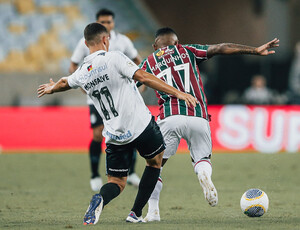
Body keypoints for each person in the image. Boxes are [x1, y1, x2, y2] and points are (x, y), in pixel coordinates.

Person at [37, 23, 198, 224]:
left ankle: (100, 199)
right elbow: (143, 76)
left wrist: (52, 88)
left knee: (116, 182)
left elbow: (64, 82)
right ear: (106, 39)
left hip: (114, 134)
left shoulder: (82, 71)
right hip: (140, 126)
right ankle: (135, 213)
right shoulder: (115, 58)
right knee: (155, 161)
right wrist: (178, 92)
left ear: (86, 43)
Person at [138, 27, 279, 221]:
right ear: (176, 43)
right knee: (202, 160)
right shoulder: (187, 50)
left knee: (156, 167)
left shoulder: (148, 62)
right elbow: (221, 47)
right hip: (198, 115)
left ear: (155, 46)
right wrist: (254, 50)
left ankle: (153, 212)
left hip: (169, 117)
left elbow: (132, 86)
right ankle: (204, 175)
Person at [69, 9, 143, 191]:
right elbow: (73, 65)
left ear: (113, 23)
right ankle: (94, 175)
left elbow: (137, 61)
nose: (106, 25)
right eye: (103, 22)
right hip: (98, 98)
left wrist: (139, 82)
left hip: (121, 98)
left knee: (129, 132)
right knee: (97, 134)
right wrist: (82, 85)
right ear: (97, 22)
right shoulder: (84, 42)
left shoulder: (123, 41)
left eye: (109, 22)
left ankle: (131, 172)